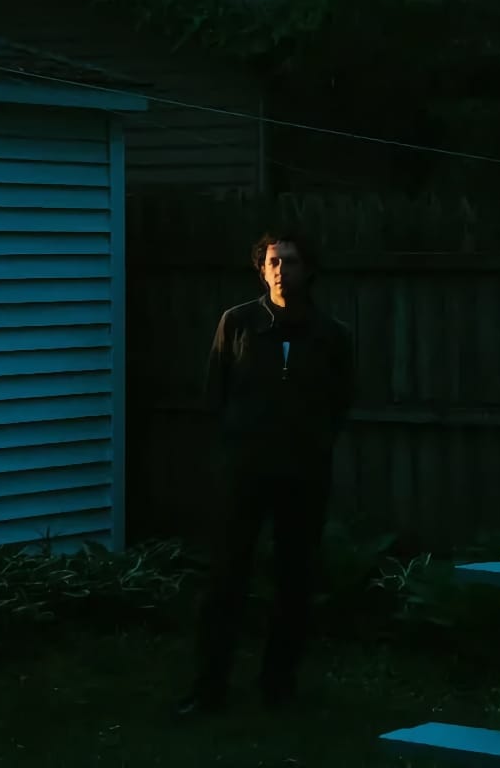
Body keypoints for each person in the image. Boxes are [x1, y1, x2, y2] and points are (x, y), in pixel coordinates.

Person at [176, 229, 355, 716]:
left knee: (295, 583)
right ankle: (208, 689)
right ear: (261, 268)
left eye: (291, 261)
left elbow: (340, 403)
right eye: (273, 261)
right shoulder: (238, 323)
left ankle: (278, 687)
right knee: (225, 583)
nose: (281, 269)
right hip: (243, 476)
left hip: (303, 476)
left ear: (308, 269)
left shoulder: (331, 334)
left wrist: (311, 445)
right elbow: (216, 395)